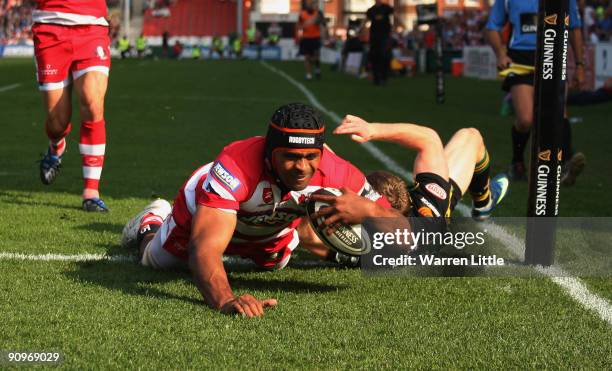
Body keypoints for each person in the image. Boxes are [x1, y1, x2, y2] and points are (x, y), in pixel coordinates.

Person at [120, 103, 391, 317]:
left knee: (276, 265)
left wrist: (373, 212)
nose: (302, 167)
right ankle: (153, 218)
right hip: (205, 214)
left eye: (311, 157)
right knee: (156, 263)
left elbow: (409, 239)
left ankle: (303, 233)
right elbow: (204, 249)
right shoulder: (236, 166)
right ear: (269, 151)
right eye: (291, 157)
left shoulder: (338, 172)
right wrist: (225, 300)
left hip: (269, 225)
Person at [311, 114, 509, 240]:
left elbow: (329, 162)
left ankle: (484, 204)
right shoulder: (428, 207)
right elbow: (429, 139)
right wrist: (373, 130)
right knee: (471, 136)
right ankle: (484, 203)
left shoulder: (358, 235)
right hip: (437, 214)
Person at [486, 0, 586, 186]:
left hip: (553, 52)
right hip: (520, 56)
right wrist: (500, 52)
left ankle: (566, 165)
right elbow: (492, 26)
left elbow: (574, 27)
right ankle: (517, 163)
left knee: (558, 112)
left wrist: (580, 65)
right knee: (525, 119)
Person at [33, 0, 112, 212]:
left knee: (92, 101)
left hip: (91, 26)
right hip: (50, 26)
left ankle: (91, 192)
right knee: (57, 122)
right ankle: (56, 144)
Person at [366, 0, 394, 85]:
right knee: (375, 57)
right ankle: (376, 78)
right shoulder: (371, 10)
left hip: (384, 36)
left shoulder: (386, 8)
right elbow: (367, 20)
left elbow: (394, 14)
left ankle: (384, 77)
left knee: (385, 56)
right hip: (375, 38)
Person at [297, 0, 326, 80]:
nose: (310, 5)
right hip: (306, 38)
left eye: (312, 3)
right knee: (307, 57)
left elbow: (324, 24)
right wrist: (301, 31)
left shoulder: (318, 13)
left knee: (316, 57)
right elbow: (299, 26)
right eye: (308, 4)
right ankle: (308, 74)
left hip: (316, 38)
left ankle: (317, 69)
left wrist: (319, 20)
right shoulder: (302, 14)